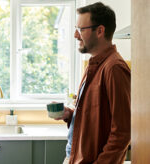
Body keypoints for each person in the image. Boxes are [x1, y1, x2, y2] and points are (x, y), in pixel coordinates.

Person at [56, 2, 131, 164]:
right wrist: (69, 114)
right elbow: (94, 115)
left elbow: (123, 133)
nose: (76, 35)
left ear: (100, 31)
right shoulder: (93, 65)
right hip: (74, 158)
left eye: (81, 30)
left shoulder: (114, 68)